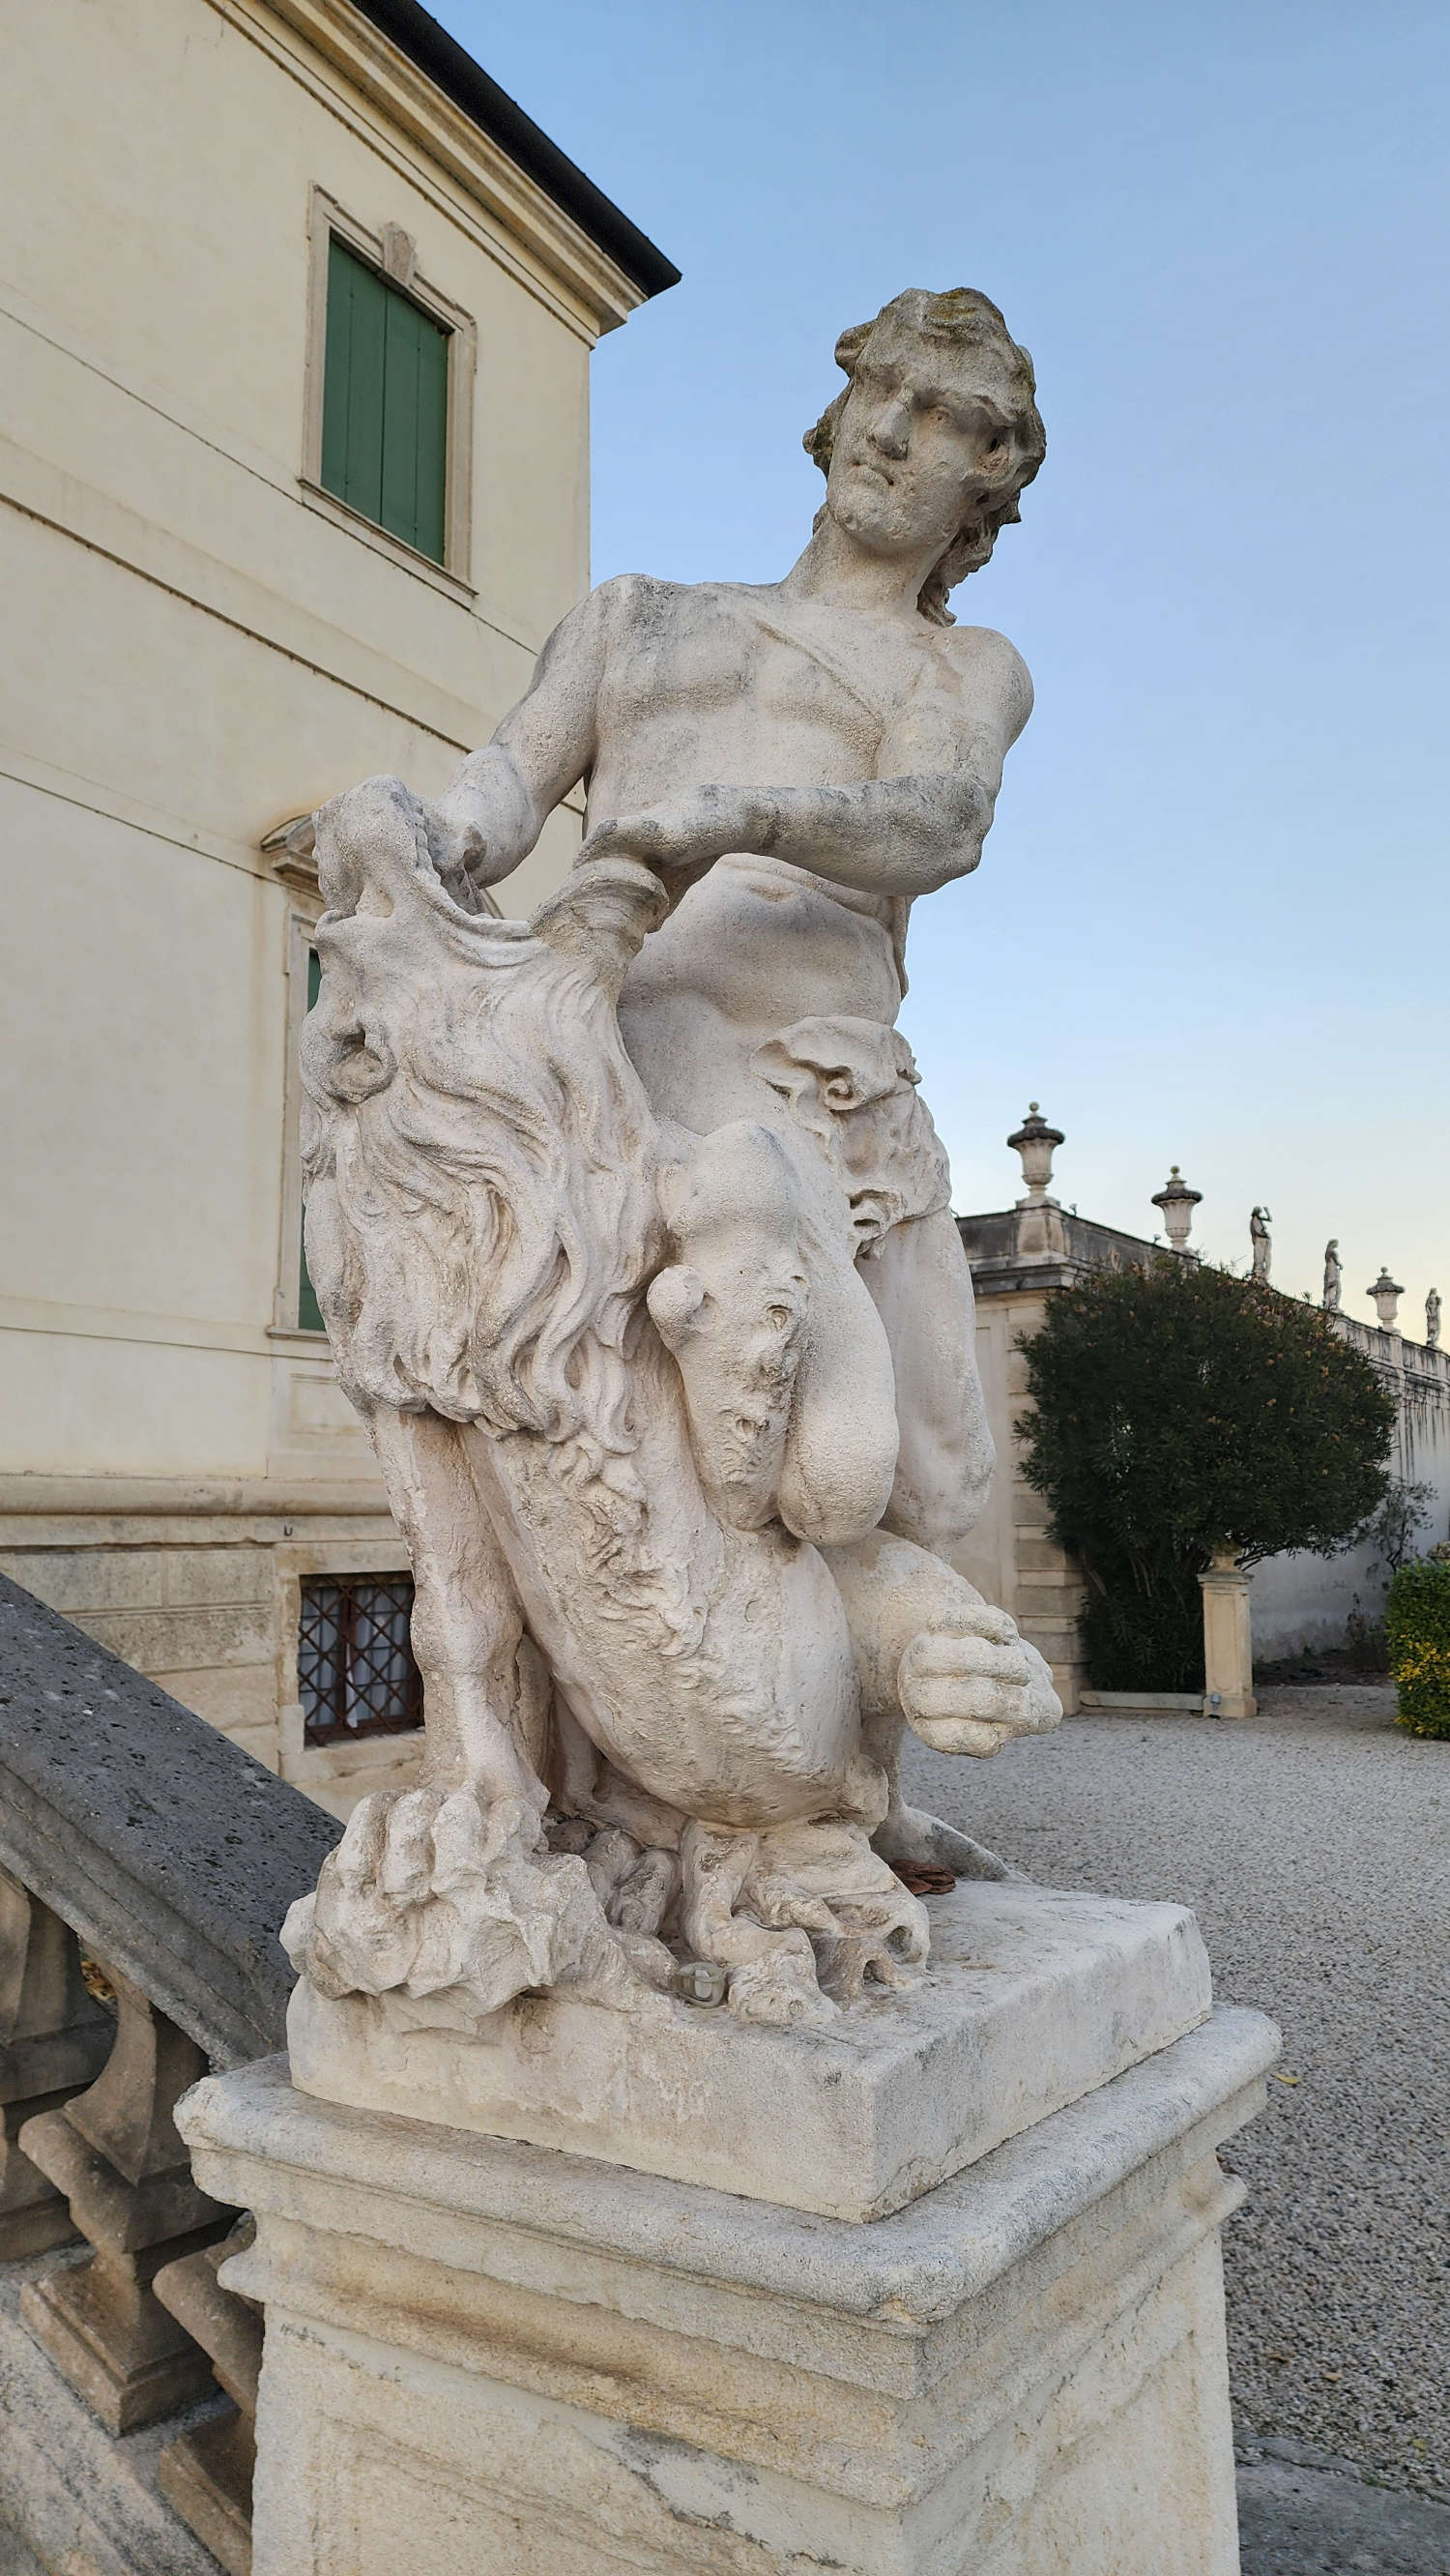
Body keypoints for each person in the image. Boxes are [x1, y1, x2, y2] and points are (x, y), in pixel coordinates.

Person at [410, 287, 1047, 1563]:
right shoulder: (636, 616)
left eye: (937, 419)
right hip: (632, 1048)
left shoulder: (958, 666)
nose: (889, 433)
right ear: (840, 409)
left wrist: (734, 817)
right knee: (821, 1475)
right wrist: (410, 838)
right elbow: (506, 785)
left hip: (833, 1084)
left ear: (986, 474)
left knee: (937, 1485)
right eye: (879, 393)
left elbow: (942, 818)